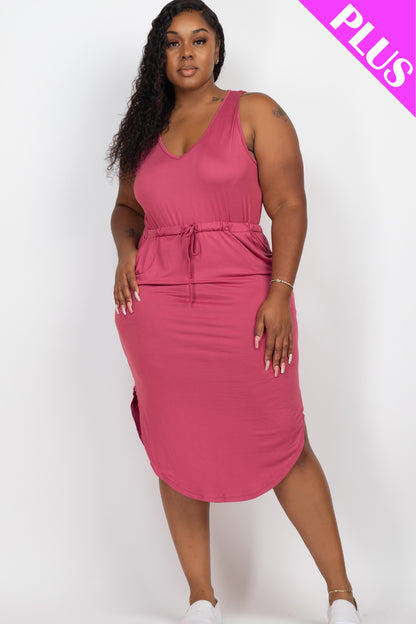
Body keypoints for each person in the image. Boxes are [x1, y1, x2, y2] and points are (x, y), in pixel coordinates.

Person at [106, 2, 361, 623]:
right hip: (156, 310)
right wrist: (125, 251)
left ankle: (341, 594)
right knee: (175, 445)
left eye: (199, 40)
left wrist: (280, 292)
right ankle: (201, 597)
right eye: (173, 42)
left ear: (218, 49)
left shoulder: (255, 112)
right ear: (160, 55)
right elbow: (127, 209)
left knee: (284, 443)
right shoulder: (145, 129)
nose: (187, 52)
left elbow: (290, 205)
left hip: (245, 301)